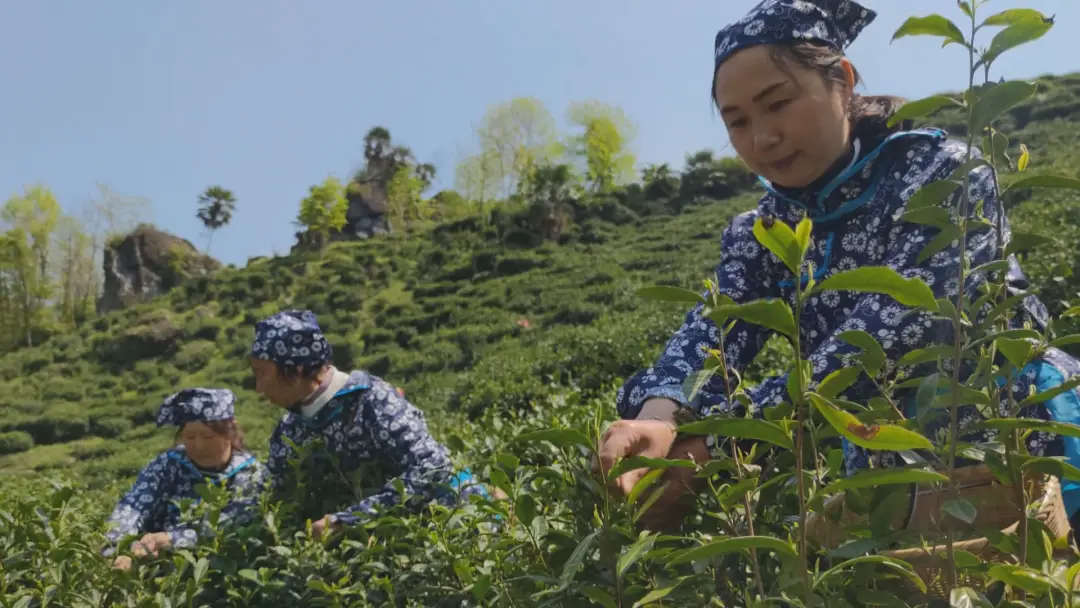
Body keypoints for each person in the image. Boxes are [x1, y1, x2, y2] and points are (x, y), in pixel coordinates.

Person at [599, 0, 1080, 532]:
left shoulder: (944, 175)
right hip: (883, 476)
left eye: (777, 103)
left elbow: (888, 333)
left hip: (1023, 443)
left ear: (843, 82)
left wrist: (720, 443)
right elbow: (714, 333)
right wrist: (658, 418)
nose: (762, 138)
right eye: (736, 122)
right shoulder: (759, 231)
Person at [250, 309, 488, 538]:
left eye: (262, 373)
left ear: (297, 368)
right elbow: (267, 491)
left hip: (456, 523)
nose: (259, 388)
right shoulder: (290, 429)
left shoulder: (371, 400)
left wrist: (348, 521)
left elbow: (432, 467)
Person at [104, 388, 265, 569]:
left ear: (230, 431)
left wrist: (170, 539)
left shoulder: (250, 473)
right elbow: (134, 506)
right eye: (190, 436)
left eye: (208, 436)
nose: (199, 445)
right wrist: (119, 548)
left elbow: (232, 520)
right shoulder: (168, 464)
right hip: (154, 565)